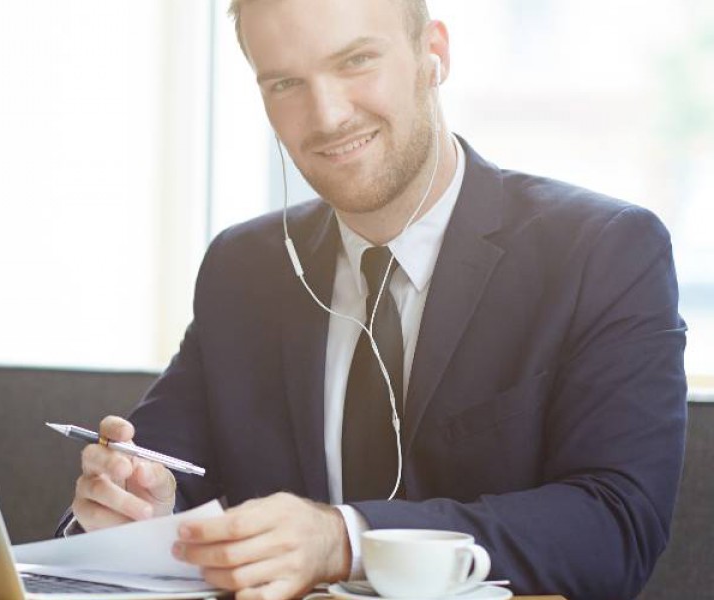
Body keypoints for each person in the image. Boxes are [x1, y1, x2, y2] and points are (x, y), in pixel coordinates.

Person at [60, 0, 688, 599]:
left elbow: (615, 526)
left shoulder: (601, 252)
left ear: (433, 53)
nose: (328, 115)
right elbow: (163, 483)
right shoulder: (243, 268)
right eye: (285, 84)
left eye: (356, 61)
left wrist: (346, 539)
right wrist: (136, 511)